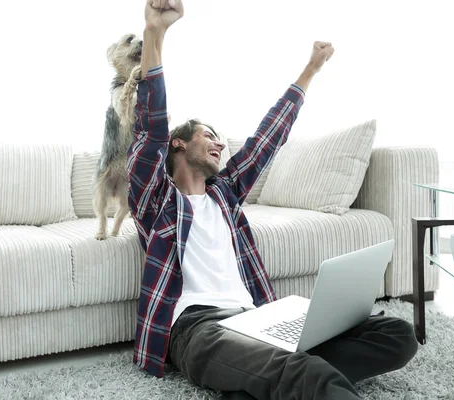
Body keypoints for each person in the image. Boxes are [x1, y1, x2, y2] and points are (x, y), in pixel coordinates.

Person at [126, 1, 419, 399]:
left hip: (258, 320)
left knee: (397, 333)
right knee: (303, 372)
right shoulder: (156, 200)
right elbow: (150, 130)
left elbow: (268, 138)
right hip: (199, 330)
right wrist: (154, 34)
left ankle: (262, 381)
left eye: (220, 138)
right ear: (179, 143)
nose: (219, 142)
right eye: (207, 134)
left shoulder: (225, 195)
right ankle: (288, 375)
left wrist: (310, 70)